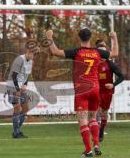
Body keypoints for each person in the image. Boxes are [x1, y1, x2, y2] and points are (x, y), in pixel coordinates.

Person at [46, 28, 118, 157]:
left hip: (82, 90)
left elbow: (55, 52)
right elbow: (115, 53)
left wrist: (49, 37)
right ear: (90, 38)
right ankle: (96, 144)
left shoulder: (76, 52)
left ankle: (88, 149)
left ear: (79, 38)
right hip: (95, 89)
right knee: (93, 118)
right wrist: (114, 37)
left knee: (83, 120)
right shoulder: (98, 52)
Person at [7, 40, 39, 139]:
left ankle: (17, 131)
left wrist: (25, 84)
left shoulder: (31, 62)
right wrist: (17, 89)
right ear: (29, 52)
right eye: (34, 54)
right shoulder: (19, 60)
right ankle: (16, 133)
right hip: (13, 86)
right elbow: (13, 76)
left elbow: (27, 75)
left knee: (25, 109)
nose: (34, 57)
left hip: (21, 88)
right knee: (17, 107)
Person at [96, 39, 124, 142]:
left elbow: (122, 77)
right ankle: (95, 132)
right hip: (95, 91)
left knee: (104, 113)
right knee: (95, 111)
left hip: (107, 93)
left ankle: (101, 130)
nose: (103, 53)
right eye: (100, 51)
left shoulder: (110, 64)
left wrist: (113, 84)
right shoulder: (93, 63)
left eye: (104, 51)